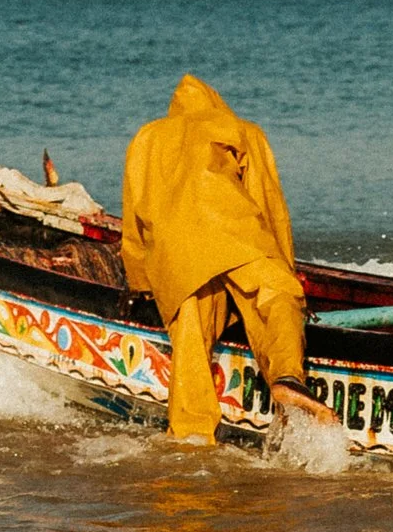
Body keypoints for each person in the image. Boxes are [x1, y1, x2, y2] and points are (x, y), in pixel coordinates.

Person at [121, 75, 334, 443]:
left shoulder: (147, 137)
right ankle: (286, 376)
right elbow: (271, 207)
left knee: (191, 339)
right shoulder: (240, 129)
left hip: (176, 251)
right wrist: (286, 270)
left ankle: (191, 437)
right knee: (277, 296)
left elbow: (134, 218)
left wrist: (140, 284)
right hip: (237, 235)